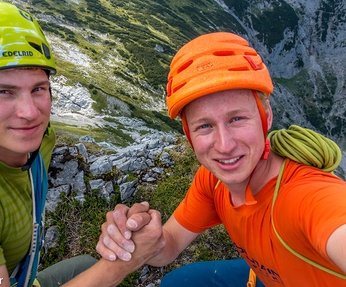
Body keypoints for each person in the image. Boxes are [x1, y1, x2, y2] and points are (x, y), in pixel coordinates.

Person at [0, 1, 164, 287]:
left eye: (38, 89)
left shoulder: (38, 142)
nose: (30, 113)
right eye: (4, 91)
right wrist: (126, 263)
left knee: (87, 265)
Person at [96, 31, 346, 286]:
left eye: (237, 119)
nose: (225, 146)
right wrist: (142, 238)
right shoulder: (212, 180)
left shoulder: (304, 195)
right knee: (179, 282)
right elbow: (168, 245)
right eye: (204, 126)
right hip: (273, 275)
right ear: (189, 135)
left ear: (266, 117)